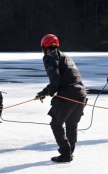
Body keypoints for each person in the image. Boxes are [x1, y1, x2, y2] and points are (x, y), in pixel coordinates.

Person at [35, 34, 87, 163]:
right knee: (71, 125)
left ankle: (65, 153)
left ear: (44, 47)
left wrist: (47, 92)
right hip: (81, 94)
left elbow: (55, 79)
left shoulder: (50, 57)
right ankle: (69, 153)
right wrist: (46, 92)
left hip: (68, 95)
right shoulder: (65, 57)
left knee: (56, 124)